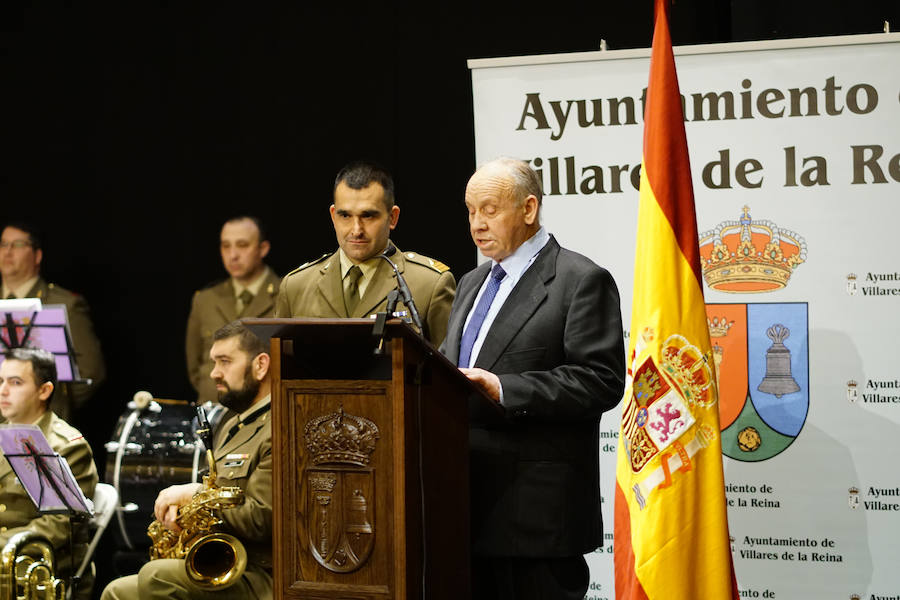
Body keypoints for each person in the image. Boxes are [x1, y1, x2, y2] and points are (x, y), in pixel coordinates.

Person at [439, 158, 626, 599]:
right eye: (470, 211)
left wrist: (504, 389)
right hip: (465, 509)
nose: (476, 224)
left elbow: (600, 380)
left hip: (536, 519)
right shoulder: (471, 282)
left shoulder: (580, 280)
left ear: (528, 209)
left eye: (489, 210)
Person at [102, 321, 273, 599]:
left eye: (225, 362)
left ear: (261, 365)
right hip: (220, 562)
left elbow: (262, 519)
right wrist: (182, 515)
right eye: (214, 362)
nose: (215, 373)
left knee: (155, 576)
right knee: (117, 591)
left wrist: (196, 496)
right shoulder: (232, 424)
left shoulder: (277, 427)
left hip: (259, 572)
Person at [274, 161, 456, 346]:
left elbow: (450, 370)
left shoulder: (429, 285)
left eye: (368, 216)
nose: (356, 230)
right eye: (345, 215)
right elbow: (279, 366)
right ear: (333, 216)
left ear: (393, 217)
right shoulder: (296, 286)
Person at [0, 347, 99, 600]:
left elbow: (58, 527)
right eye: (0, 381)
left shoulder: (67, 444)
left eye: (15, 382)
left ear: (44, 391)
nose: (3, 391)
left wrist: (3, 544)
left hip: (33, 564)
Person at [0, 223, 106, 421]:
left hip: (40, 425)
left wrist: (52, 404)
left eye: (17, 244)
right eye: (3, 244)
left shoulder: (64, 303)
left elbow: (91, 371)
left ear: (37, 256)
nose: (7, 251)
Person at [186, 216, 280, 405]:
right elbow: (195, 369)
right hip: (213, 411)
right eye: (226, 246)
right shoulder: (205, 300)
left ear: (263, 249)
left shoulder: (286, 294)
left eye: (242, 245)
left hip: (266, 414)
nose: (233, 255)